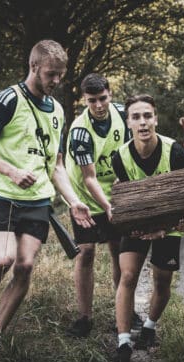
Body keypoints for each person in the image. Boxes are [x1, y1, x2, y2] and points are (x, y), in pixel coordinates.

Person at [0, 40, 94, 335]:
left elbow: (56, 165)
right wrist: (12, 171)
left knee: (25, 266)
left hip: (38, 200)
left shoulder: (57, 110)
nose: (56, 81)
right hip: (1, 194)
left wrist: (72, 201)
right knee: (3, 259)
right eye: (50, 74)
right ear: (34, 67)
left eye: (60, 75)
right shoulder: (9, 99)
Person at [111, 94, 184, 362]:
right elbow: (124, 196)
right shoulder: (119, 157)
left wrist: (165, 229)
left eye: (147, 116)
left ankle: (149, 326)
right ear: (128, 122)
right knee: (128, 274)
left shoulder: (175, 152)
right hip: (139, 221)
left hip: (170, 221)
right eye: (136, 117)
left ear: (155, 118)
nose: (142, 122)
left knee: (162, 281)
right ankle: (122, 343)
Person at [64, 73, 143, 337]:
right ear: (84, 100)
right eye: (92, 101)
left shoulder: (122, 113)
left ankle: (125, 311)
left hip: (115, 191)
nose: (99, 106)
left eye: (103, 99)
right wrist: (107, 206)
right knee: (86, 252)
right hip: (86, 197)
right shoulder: (79, 131)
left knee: (119, 251)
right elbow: (89, 178)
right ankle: (84, 317)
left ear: (110, 94)